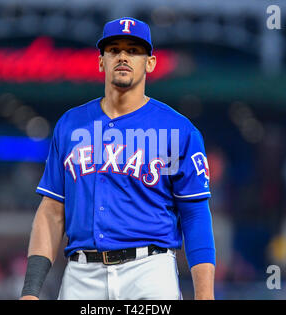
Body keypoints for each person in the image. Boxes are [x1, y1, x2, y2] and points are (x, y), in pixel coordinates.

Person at [20, 17, 215, 300]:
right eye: (114, 50)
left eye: (134, 50)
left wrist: (205, 295)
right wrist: (30, 291)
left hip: (149, 271)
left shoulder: (179, 130)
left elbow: (195, 214)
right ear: (101, 62)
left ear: (150, 63)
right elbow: (51, 211)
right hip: (81, 273)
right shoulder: (71, 125)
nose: (123, 56)